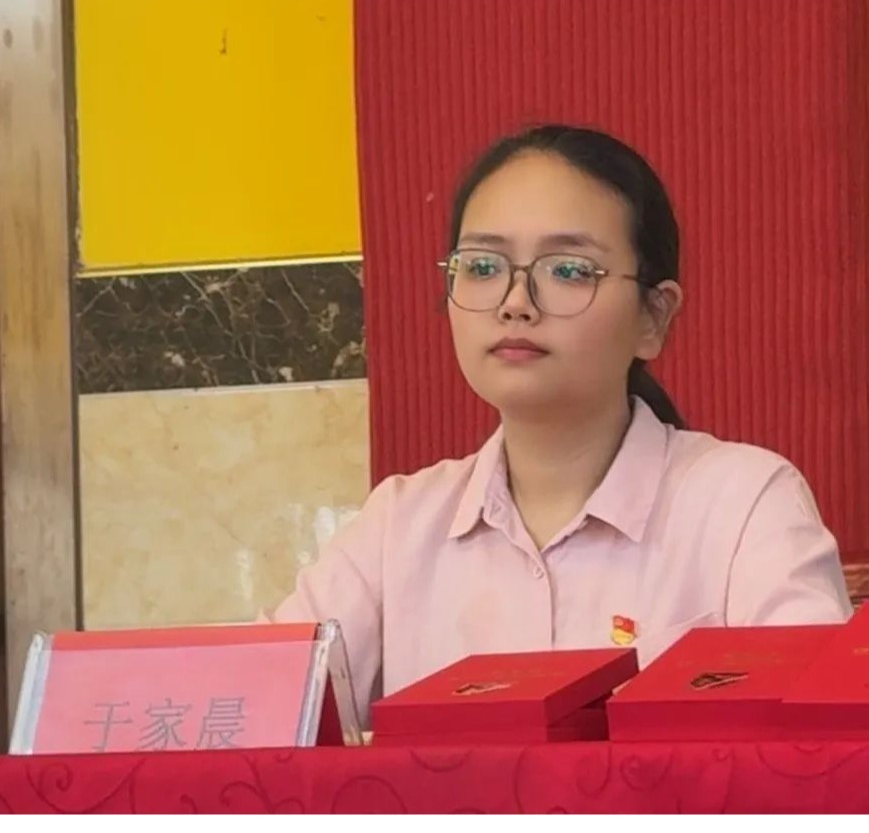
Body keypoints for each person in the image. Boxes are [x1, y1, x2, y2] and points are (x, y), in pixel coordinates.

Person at [264, 124, 852, 726]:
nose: (515, 302)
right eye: (482, 266)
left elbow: (817, 746)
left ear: (654, 316)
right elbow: (261, 708)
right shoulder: (398, 528)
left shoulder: (744, 504)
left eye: (569, 270)